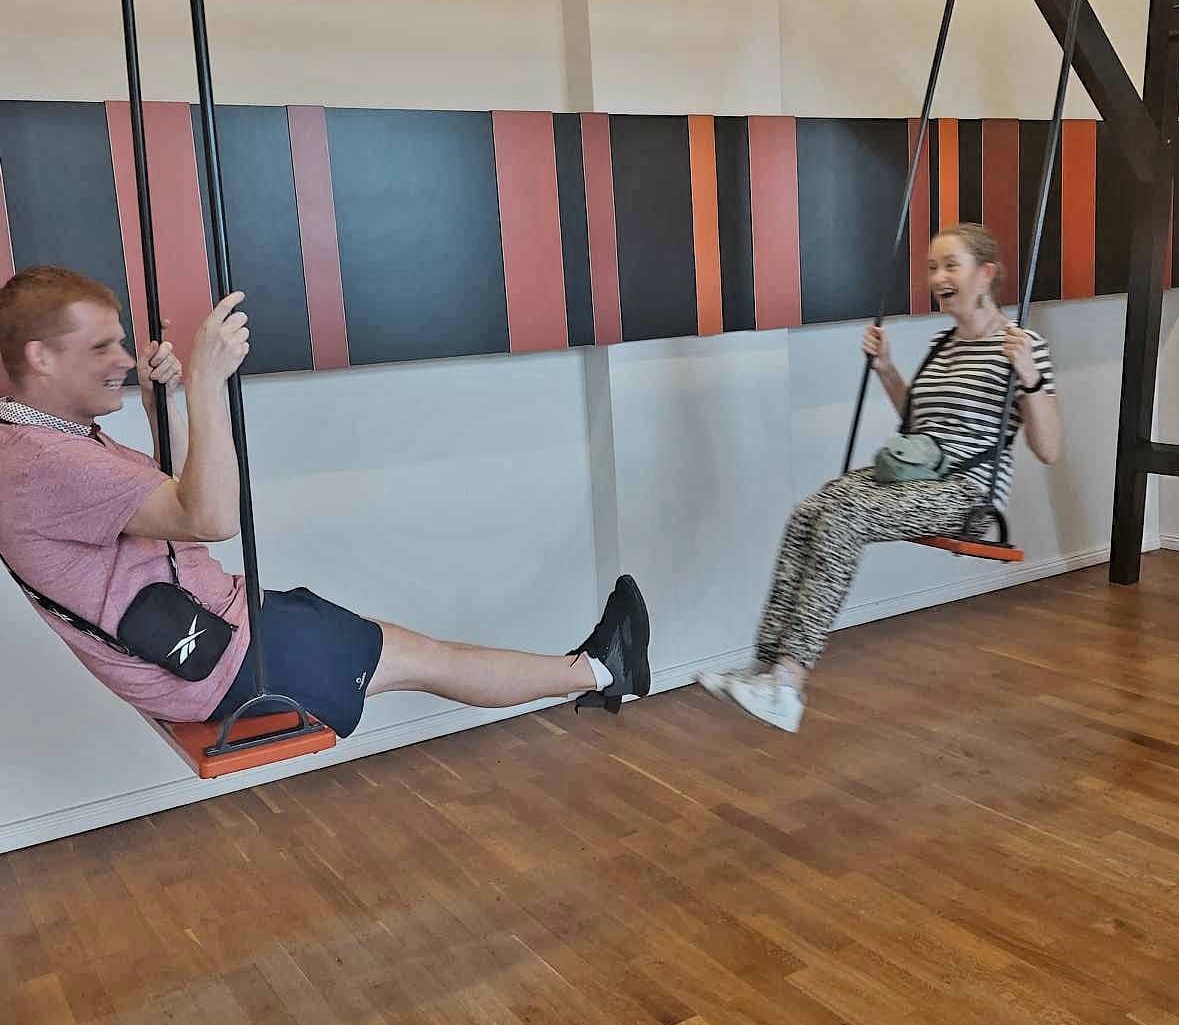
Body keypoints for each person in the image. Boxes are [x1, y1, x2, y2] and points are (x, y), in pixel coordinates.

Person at [0, 266, 650, 739]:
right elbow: (211, 518)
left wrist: (158, 405)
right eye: (100, 347)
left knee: (417, 652)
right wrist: (204, 384)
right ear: (41, 357)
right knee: (427, 659)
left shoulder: (44, 438)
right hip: (219, 663)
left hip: (220, 625)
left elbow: (174, 506)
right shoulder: (45, 464)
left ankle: (594, 668)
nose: (121, 358)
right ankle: (599, 671)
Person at [700, 223, 1060, 733]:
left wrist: (1030, 376)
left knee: (843, 519)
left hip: (965, 493)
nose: (937, 277)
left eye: (950, 265)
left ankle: (789, 683)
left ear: (985, 274)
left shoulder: (1022, 345)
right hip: (916, 473)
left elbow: (1049, 449)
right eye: (932, 267)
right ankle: (765, 667)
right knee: (808, 513)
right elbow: (918, 423)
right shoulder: (943, 344)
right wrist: (887, 368)